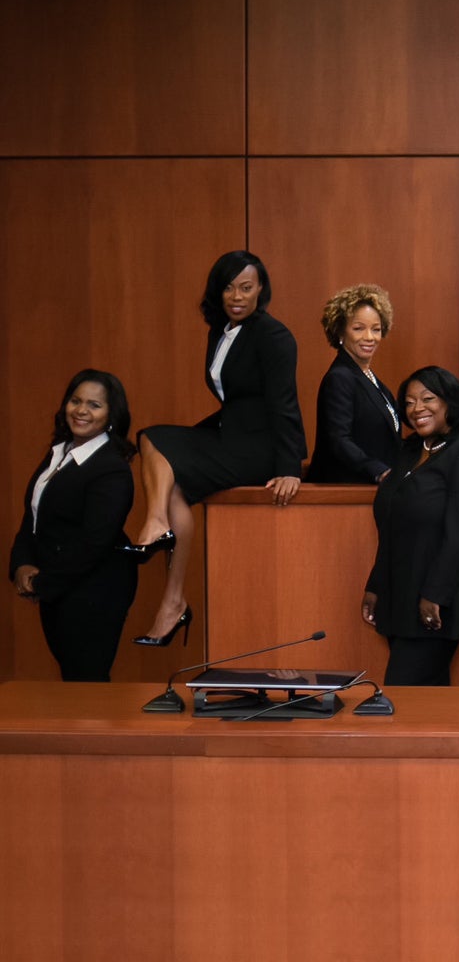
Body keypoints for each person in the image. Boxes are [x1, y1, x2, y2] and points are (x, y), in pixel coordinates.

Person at [129, 250, 305, 645]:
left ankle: (157, 525)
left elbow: (284, 402)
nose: (236, 296)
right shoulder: (221, 329)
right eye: (228, 287)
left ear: (261, 289)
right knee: (160, 459)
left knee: (156, 442)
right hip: (230, 433)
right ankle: (173, 600)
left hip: (259, 448)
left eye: (246, 287)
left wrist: (290, 466)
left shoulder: (273, 336)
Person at [362, 367, 459, 686]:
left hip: (439, 598)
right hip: (399, 594)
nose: (416, 408)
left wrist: (435, 593)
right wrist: (376, 584)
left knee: (402, 693)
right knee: (427, 702)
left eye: (427, 399)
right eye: (409, 402)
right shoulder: (410, 450)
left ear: (450, 401)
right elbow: (391, 527)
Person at [10, 370, 138, 681]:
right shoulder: (59, 452)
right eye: (75, 400)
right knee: (73, 679)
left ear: (111, 415)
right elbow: (34, 516)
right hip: (60, 585)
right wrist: (22, 564)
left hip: (97, 589)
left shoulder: (112, 469)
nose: (81, 410)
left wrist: (42, 583)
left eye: (94, 405)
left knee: (86, 683)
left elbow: (95, 542)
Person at [308, 283, 401, 483]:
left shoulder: (369, 378)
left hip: (371, 490)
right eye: (358, 328)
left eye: (376, 329)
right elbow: (338, 441)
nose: (369, 337)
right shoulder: (340, 377)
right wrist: (378, 471)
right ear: (340, 332)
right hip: (344, 490)